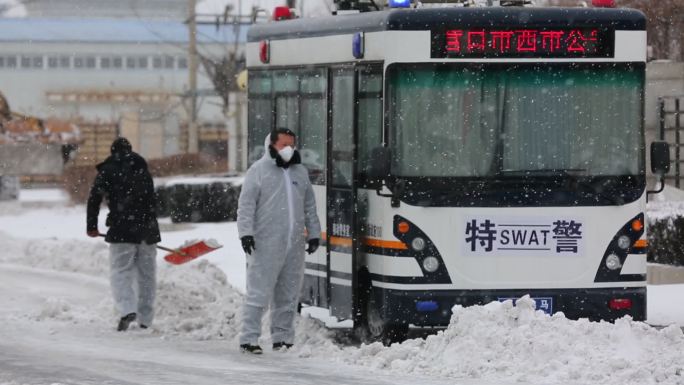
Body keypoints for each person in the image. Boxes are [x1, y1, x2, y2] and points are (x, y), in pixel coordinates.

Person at [237, 128, 321, 354]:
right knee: (259, 293)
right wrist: (245, 233)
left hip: (293, 244)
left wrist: (314, 233)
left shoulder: (299, 172)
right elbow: (246, 205)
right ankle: (249, 338)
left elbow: (309, 206)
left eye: (291, 145)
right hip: (265, 243)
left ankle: (282, 338)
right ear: (271, 145)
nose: (288, 149)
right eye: (283, 144)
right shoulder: (258, 171)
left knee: (288, 293)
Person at [86, 137, 161, 332]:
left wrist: (91, 226)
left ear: (113, 152)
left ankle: (127, 309)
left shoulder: (108, 170)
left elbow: (94, 198)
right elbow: (153, 200)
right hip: (148, 229)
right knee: (147, 275)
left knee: (121, 271)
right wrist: (147, 223)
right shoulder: (142, 169)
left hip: (122, 228)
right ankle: (146, 319)